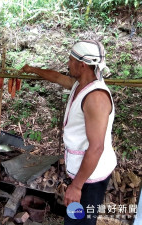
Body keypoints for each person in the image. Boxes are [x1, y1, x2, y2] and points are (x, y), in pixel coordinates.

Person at [21, 40, 117, 225]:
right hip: (83, 170)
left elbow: (96, 147)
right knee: (74, 217)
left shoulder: (96, 98)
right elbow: (56, 77)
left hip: (91, 177)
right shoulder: (80, 84)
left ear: (81, 64)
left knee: (79, 221)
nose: (68, 64)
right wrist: (33, 69)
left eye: (70, 60)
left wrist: (77, 186)